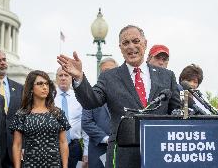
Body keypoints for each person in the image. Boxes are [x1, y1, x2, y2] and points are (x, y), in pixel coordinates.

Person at [57, 25, 181, 168]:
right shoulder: (109, 77)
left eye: (135, 41)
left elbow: (175, 112)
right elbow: (91, 101)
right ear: (120, 47)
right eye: (125, 43)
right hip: (122, 154)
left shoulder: (167, 76)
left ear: (145, 43)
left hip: (159, 151)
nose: (131, 46)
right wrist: (79, 77)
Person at [10, 70, 70, 168]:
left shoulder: (57, 113)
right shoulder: (22, 114)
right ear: (31, 88)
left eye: (46, 84)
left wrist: (65, 166)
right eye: (40, 84)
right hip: (30, 164)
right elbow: (17, 145)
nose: (45, 87)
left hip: (54, 164)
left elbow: (63, 142)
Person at [0, 49, 23, 167]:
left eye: (4, 59)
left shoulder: (19, 88)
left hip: (14, 149)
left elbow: (24, 118)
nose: (2, 63)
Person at [81, 57, 118, 168]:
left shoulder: (126, 93)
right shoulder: (90, 94)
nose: (108, 74)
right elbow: (86, 122)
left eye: (111, 71)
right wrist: (106, 139)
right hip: (98, 151)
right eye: (104, 72)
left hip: (121, 150)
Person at [54, 67, 89, 168]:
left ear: (71, 78)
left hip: (75, 148)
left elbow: (85, 126)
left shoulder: (79, 97)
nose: (63, 78)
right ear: (56, 78)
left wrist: (86, 151)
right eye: (60, 75)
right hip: (54, 146)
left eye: (66, 75)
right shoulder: (49, 98)